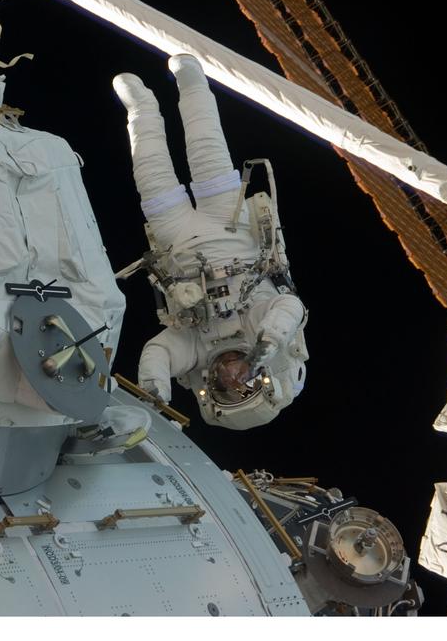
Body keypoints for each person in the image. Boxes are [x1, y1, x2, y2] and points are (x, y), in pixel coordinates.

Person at [114, 54, 308, 429]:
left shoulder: (196, 351)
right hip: (230, 227)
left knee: (149, 166)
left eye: (226, 390)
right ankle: (191, 81)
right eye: (245, 386)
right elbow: (288, 306)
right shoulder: (260, 332)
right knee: (206, 148)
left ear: (210, 387)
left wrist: (155, 397)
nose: (233, 379)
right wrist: (269, 345)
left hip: (177, 244)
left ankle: (141, 105)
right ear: (263, 379)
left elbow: (157, 351)